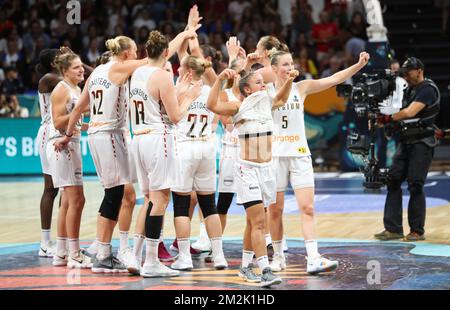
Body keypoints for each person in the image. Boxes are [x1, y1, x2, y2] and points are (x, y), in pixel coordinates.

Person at [267, 49, 370, 274]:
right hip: (275, 156)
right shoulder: (265, 92)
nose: (290, 67)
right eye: (284, 64)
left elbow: (333, 79)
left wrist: (358, 65)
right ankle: (276, 257)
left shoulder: (301, 88)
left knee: (308, 207)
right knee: (275, 210)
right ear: (274, 68)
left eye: (291, 63)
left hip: (300, 154)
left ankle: (313, 257)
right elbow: (278, 101)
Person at [54, 36, 150, 273]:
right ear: (127, 53)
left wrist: (68, 134)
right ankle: (105, 252)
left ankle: (102, 248)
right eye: (135, 51)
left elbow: (78, 108)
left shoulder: (97, 72)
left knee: (115, 193)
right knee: (115, 194)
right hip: (110, 134)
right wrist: (184, 35)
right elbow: (154, 61)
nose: (137, 55)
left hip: (96, 135)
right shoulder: (118, 68)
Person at [207, 66, 298, 287]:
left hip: (266, 170)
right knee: (259, 222)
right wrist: (219, 80)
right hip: (246, 169)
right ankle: (264, 269)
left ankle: (246, 266)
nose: (263, 84)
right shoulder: (239, 106)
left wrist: (288, 80)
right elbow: (212, 105)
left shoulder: (267, 101)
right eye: (258, 82)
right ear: (247, 89)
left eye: (262, 81)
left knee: (252, 222)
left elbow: (282, 98)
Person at [126, 29, 202, 277]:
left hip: (138, 139)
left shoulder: (136, 73)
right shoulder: (162, 76)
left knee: (148, 199)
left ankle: (135, 256)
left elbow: (155, 102)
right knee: (160, 200)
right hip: (159, 139)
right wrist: (189, 96)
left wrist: (187, 31)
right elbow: (176, 116)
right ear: (167, 53)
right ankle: (151, 262)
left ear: (147, 51)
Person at [374, 57, 440, 242]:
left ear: (419, 70)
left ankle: (417, 231)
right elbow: (401, 113)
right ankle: (393, 228)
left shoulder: (428, 89)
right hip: (406, 141)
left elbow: (410, 112)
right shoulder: (410, 89)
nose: (406, 76)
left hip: (422, 143)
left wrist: (387, 119)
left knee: (415, 184)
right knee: (393, 180)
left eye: (409, 72)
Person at [47, 51, 91, 268]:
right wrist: (78, 111)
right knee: (76, 200)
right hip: (61, 144)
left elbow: (76, 118)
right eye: (76, 67)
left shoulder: (76, 88)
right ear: (65, 71)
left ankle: (61, 252)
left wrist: (88, 125)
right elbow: (57, 121)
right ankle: (74, 253)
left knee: (67, 201)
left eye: (81, 65)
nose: (81, 69)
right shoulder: (61, 89)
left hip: (71, 142)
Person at [35, 48, 62, 258]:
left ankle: (62, 241)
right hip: (49, 133)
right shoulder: (49, 78)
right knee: (51, 188)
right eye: (60, 57)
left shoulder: (60, 76)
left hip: (59, 131)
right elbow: (82, 78)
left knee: (63, 189)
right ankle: (45, 243)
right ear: (53, 63)